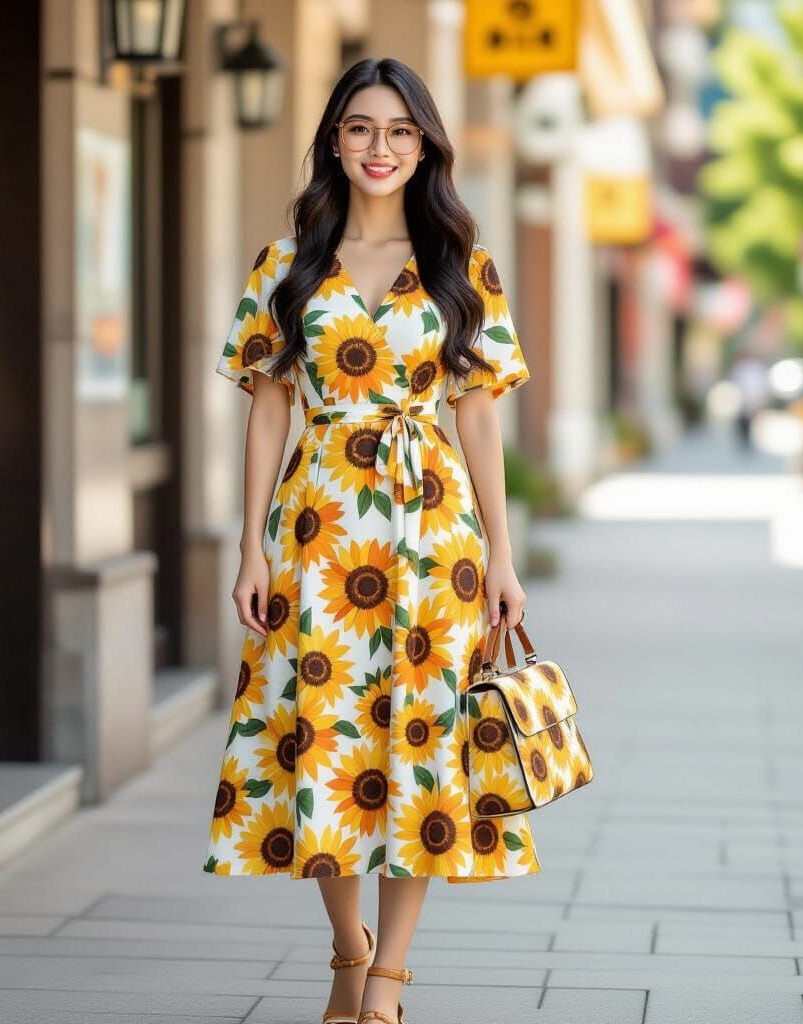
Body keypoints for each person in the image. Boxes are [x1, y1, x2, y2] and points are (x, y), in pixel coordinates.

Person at [202, 57, 540, 1024]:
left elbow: (479, 418)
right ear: (334, 141)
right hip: (316, 527)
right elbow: (267, 408)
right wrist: (249, 547)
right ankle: (347, 947)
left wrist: (503, 560)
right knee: (324, 734)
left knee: (418, 745)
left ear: (426, 143)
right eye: (359, 128)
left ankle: (387, 980)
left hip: (435, 533)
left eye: (399, 130)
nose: (379, 148)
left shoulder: (460, 266)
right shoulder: (289, 260)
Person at [729, 349, 770, 451]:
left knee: (752, 422)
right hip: (744, 400)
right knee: (743, 422)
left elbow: (761, 385)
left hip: (753, 399)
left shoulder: (756, 368)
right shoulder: (740, 368)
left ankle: (749, 441)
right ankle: (745, 441)